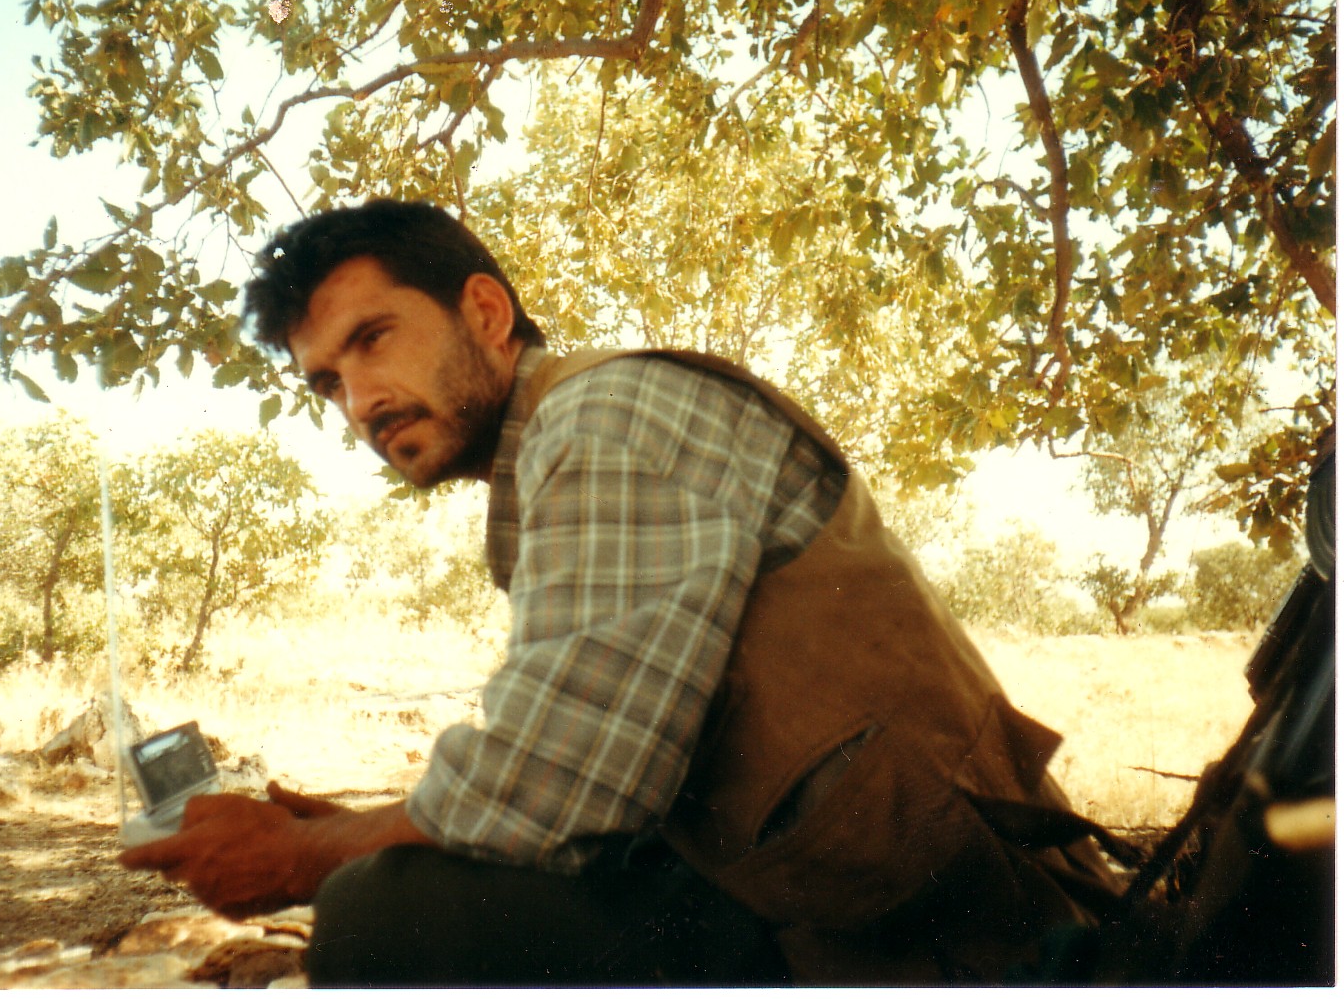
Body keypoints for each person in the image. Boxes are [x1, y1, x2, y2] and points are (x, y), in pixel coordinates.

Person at [121, 199, 1122, 985]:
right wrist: (353, 828)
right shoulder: (559, 444)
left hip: (950, 933)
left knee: (387, 912)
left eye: (374, 337)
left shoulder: (602, 416)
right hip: (824, 895)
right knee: (402, 876)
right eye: (328, 381)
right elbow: (596, 764)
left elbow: (560, 786)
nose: (361, 400)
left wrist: (307, 854)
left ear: (485, 312)